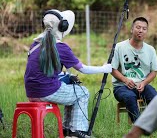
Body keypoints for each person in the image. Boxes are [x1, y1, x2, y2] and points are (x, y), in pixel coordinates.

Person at [24, 9, 112, 138]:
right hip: (46, 92)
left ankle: (66, 129)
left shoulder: (35, 44)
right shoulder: (60, 47)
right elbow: (83, 69)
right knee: (82, 92)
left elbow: (38, 71)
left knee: (71, 91)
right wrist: (104, 68)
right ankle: (76, 131)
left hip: (31, 93)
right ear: (62, 27)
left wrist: (64, 76)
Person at [111, 16, 157, 123]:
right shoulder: (119, 47)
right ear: (132, 29)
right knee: (130, 97)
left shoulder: (150, 50)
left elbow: (154, 71)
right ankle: (139, 127)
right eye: (138, 27)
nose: (141, 31)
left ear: (147, 31)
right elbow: (112, 69)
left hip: (142, 86)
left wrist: (144, 82)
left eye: (144, 28)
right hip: (121, 87)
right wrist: (125, 80)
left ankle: (155, 124)